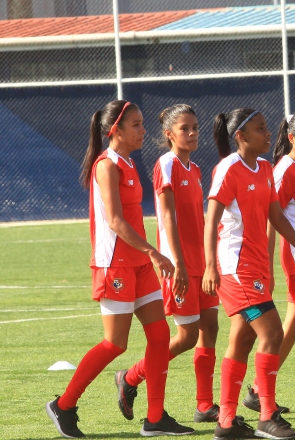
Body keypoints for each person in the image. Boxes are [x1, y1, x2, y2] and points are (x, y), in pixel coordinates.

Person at [45, 100, 193, 438]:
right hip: (115, 265)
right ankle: (64, 405)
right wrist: (155, 252)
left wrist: (147, 255)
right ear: (116, 130)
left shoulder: (127, 162)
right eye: (137, 125)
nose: (143, 131)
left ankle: (155, 418)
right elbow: (114, 221)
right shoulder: (106, 166)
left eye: (142, 124)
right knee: (115, 344)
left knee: (160, 336)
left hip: (138, 264)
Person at [204, 107, 295, 440]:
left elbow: (277, 217)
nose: (268, 133)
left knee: (242, 339)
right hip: (234, 268)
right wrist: (211, 266)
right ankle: (267, 416)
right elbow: (211, 219)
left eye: (266, 127)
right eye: (259, 129)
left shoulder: (266, 168)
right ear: (240, 136)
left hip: (254, 268)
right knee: (272, 332)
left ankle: (226, 421)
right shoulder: (229, 169)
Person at [115, 104, 221, 424]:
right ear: (168, 134)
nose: (191, 134)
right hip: (180, 265)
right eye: (184, 128)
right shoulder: (167, 164)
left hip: (201, 263)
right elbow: (167, 217)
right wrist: (178, 263)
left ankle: (204, 406)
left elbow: (197, 219)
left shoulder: (196, 169)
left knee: (210, 328)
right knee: (187, 336)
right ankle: (131, 378)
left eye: (195, 128)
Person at [239, 110, 295, 413]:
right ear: (291, 138)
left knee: (294, 325)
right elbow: (270, 218)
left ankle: (256, 389)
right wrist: (266, 266)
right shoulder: (283, 171)